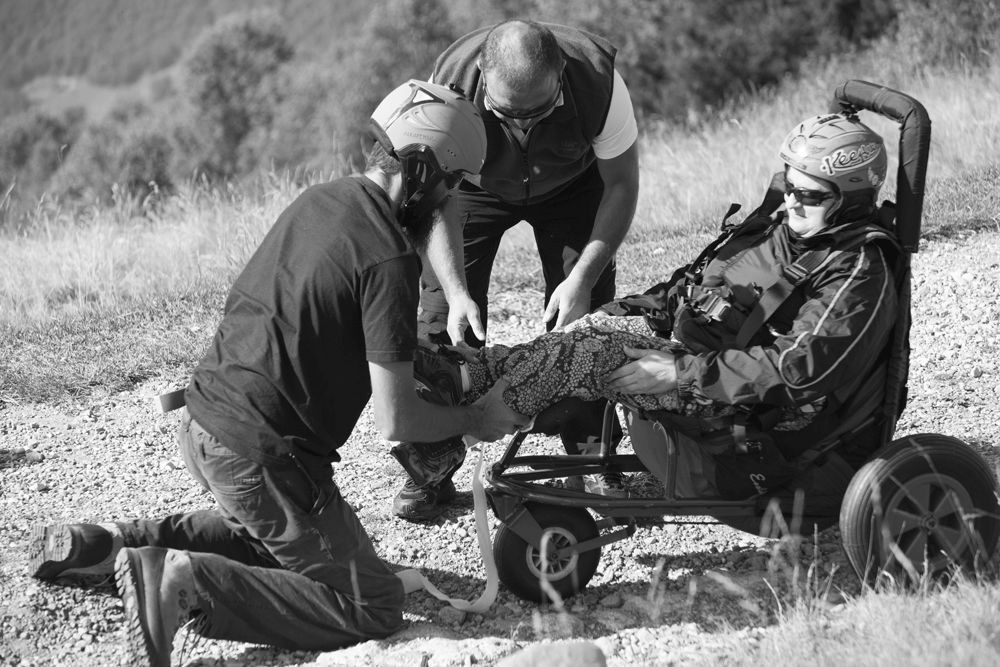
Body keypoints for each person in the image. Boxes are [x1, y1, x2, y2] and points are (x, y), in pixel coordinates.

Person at [27, 80, 525, 663]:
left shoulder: (323, 199)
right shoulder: (389, 257)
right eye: (453, 182)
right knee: (377, 605)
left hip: (204, 422)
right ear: (420, 172)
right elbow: (398, 421)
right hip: (261, 458)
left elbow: (323, 313)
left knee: (266, 540)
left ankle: (103, 547)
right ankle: (182, 583)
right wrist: (476, 418)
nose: (452, 199)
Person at [399, 111, 899, 499]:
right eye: (788, 184)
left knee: (587, 356)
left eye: (808, 194)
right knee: (585, 336)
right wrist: (619, 312)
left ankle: (459, 420)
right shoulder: (781, 230)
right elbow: (692, 288)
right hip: (703, 363)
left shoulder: (856, 271)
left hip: (766, 416)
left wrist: (680, 375)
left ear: (851, 199)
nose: (790, 201)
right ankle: (463, 380)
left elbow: (798, 369)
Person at [393, 19, 641, 519]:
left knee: (585, 322)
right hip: (473, 190)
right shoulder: (450, 84)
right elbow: (436, 202)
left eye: (540, 111)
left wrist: (584, 278)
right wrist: (457, 289)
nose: (524, 125)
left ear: (561, 75)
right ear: (483, 77)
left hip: (574, 186)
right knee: (442, 320)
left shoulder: (599, 81)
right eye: (508, 113)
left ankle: (590, 450)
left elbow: (621, 185)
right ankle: (430, 469)